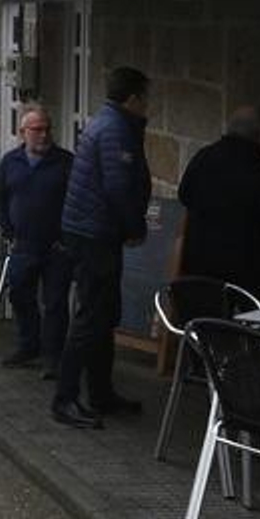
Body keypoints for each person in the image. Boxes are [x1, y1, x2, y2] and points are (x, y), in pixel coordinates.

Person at [51, 66, 152, 430]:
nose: (147, 106)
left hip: (90, 230)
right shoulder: (115, 130)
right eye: (145, 98)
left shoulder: (109, 123)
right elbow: (118, 187)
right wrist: (134, 226)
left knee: (104, 314)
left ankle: (101, 392)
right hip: (96, 234)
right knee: (91, 316)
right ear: (133, 98)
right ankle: (65, 398)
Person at [178, 106, 260, 305]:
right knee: (246, 333)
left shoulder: (203, 158)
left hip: (200, 272)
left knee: (203, 331)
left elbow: (184, 196)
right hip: (247, 279)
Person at [0, 106, 74, 374]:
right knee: (20, 295)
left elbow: (76, 203)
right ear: (22, 133)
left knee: (55, 302)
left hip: (55, 247)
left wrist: (66, 238)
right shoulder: (10, 162)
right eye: (36, 130)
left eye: (47, 128)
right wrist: (8, 231)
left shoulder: (65, 162)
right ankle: (29, 345)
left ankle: (53, 356)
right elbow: (1, 198)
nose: (43, 135)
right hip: (23, 244)